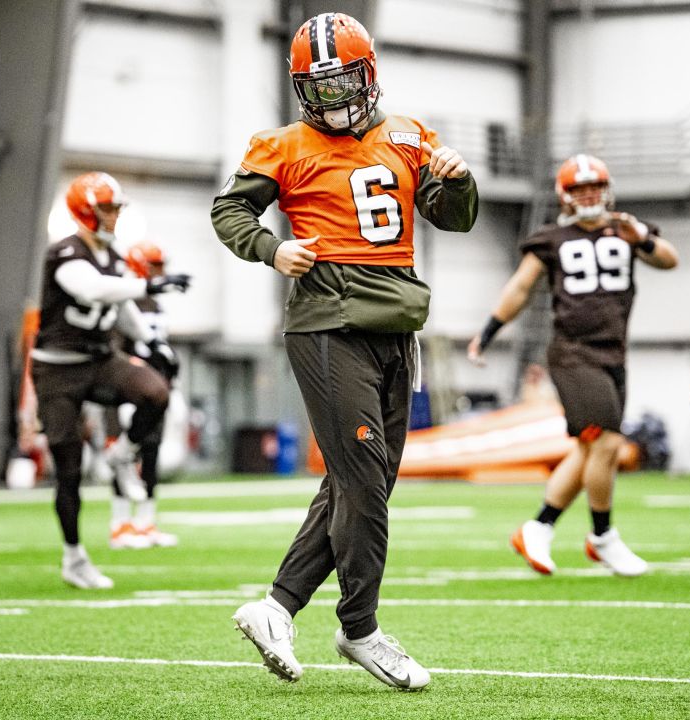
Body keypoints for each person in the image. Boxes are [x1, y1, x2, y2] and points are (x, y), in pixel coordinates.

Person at [211, 12, 478, 690]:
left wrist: (458, 177)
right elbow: (230, 212)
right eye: (317, 87)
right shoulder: (282, 145)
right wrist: (274, 249)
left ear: (368, 76)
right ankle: (360, 628)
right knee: (362, 481)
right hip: (327, 324)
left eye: (340, 84)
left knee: (362, 483)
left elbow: (456, 216)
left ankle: (275, 607)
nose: (331, 99)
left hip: (396, 324)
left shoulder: (413, 136)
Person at [468, 154, 678, 578]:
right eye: (579, 189)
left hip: (613, 354)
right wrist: (488, 332)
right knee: (605, 443)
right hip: (572, 352)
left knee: (588, 449)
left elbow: (669, 259)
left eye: (594, 187)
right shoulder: (551, 238)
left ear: (606, 190)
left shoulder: (625, 228)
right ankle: (602, 537)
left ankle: (539, 526)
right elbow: (521, 287)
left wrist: (641, 238)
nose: (588, 195)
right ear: (565, 195)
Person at [31, 172, 188, 589]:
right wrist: (147, 283)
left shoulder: (113, 255)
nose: (115, 215)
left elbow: (120, 310)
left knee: (156, 390)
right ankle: (74, 557)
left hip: (100, 358)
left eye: (117, 207)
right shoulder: (65, 251)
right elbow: (94, 290)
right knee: (69, 465)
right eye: (108, 207)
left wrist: (151, 342)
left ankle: (123, 454)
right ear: (86, 209)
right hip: (57, 367)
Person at [107, 240, 182, 550]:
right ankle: (120, 524)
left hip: (156, 391)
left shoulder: (155, 304)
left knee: (151, 453)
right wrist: (138, 372)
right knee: (125, 456)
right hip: (129, 391)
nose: (162, 273)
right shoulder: (126, 302)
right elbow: (114, 349)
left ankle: (146, 521)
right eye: (156, 267)